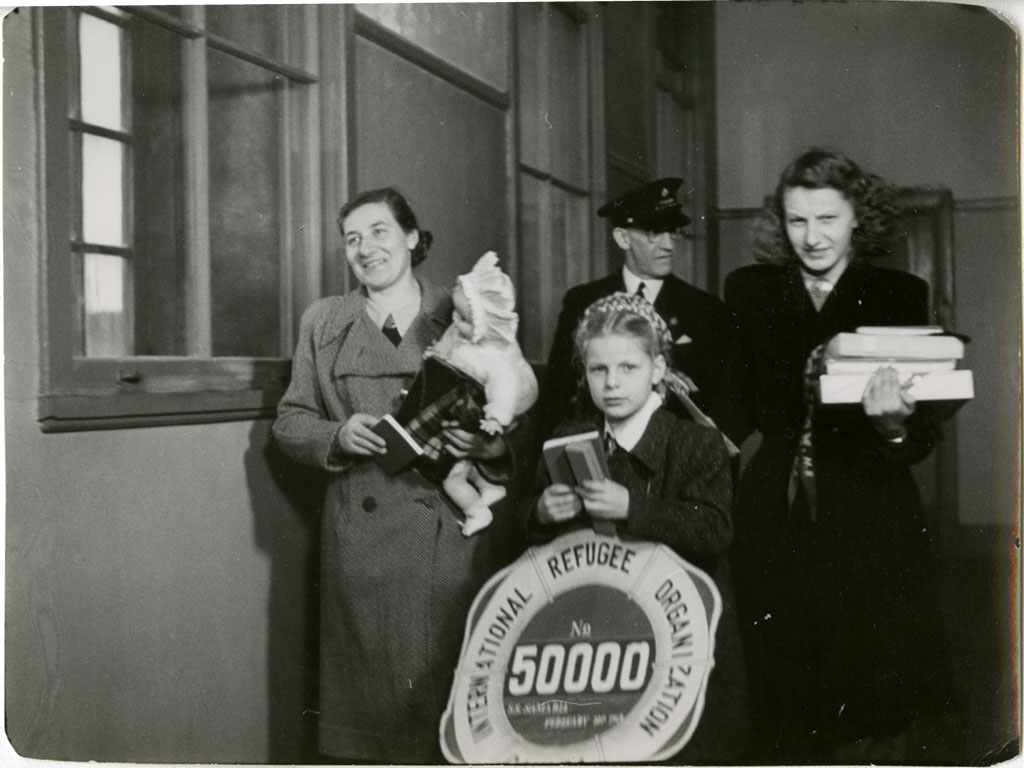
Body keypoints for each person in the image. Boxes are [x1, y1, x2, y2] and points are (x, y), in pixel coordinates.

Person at [272, 187, 525, 763]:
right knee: (369, 719)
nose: (365, 249)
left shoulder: (462, 311)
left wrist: (485, 445)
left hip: (448, 534)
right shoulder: (324, 321)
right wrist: (337, 436)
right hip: (360, 545)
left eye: (379, 232)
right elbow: (290, 420)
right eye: (352, 239)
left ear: (412, 237)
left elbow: (515, 399)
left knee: (447, 707)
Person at [724, 149, 953, 762]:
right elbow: (731, 407)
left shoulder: (900, 292)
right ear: (780, 221)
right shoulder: (748, 290)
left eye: (827, 219)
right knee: (782, 688)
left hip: (871, 508)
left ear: (858, 218)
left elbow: (921, 436)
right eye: (797, 221)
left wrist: (894, 426)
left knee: (874, 688)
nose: (812, 237)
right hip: (776, 510)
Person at [526, 293, 751, 763]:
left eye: (628, 368)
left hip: (683, 638)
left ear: (659, 369)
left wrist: (634, 506)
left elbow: (713, 531)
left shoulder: (697, 441)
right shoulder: (568, 437)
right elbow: (538, 551)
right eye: (598, 370)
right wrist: (540, 514)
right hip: (599, 639)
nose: (611, 384)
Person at [540, 178, 748, 447]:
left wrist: (707, 449)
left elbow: (732, 400)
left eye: (671, 233)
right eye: (653, 234)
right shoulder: (582, 302)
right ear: (623, 237)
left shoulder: (706, 308)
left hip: (679, 461)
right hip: (602, 456)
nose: (669, 245)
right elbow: (558, 396)